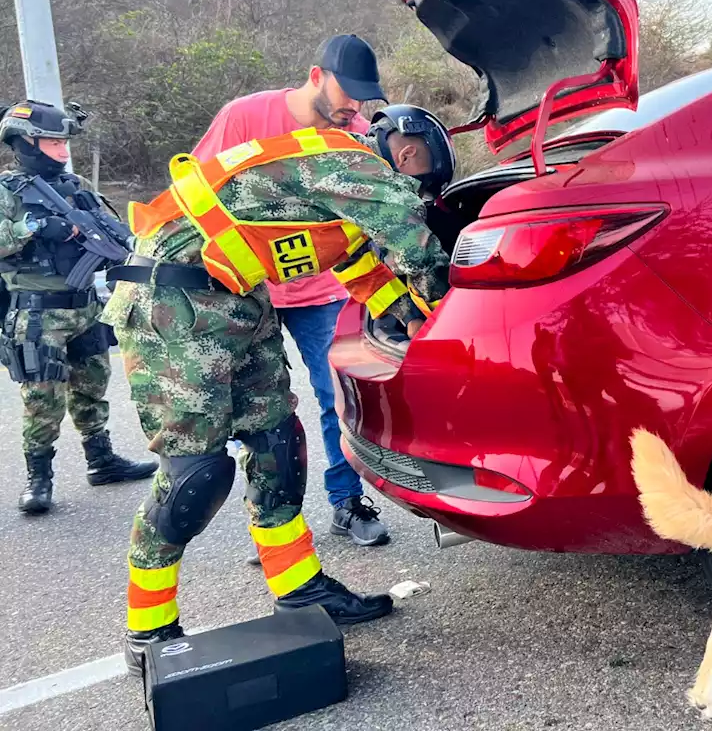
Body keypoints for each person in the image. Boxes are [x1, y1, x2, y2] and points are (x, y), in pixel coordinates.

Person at [104, 104, 455, 674]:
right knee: (194, 474)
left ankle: (298, 586)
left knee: (276, 444)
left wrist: (416, 322)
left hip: (240, 301)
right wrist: (453, 315)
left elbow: (362, 268)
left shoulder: (333, 194)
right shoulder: (358, 167)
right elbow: (415, 247)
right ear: (410, 154)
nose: (412, 189)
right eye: (416, 183)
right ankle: (148, 627)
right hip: (173, 302)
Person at [193, 34, 392, 551]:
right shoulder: (243, 117)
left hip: (323, 289)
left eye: (364, 98)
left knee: (337, 400)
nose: (354, 107)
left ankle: (347, 504)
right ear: (315, 76)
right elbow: (198, 193)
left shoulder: (358, 133)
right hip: (247, 290)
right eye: (347, 93)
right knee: (256, 413)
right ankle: (272, 528)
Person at [0, 100, 156, 515]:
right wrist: (30, 227)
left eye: (63, 141)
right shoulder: (6, 192)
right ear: (26, 143)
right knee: (42, 399)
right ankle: (38, 479)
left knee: (92, 388)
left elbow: (114, 236)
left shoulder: (78, 185)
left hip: (85, 306)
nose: (63, 150)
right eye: (53, 142)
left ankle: (101, 461)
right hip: (37, 314)